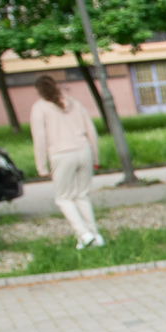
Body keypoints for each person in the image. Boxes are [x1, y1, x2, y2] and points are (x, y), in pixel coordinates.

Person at [30, 75, 103, 249]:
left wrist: (41, 166)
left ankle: (83, 234)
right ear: (56, 86)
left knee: (63, 198)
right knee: (81, 195)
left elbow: (39, 138)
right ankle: (94, 236)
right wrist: (95, 157)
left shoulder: (39, 108)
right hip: (83, 150)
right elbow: (91, 130)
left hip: (60, 155)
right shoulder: (74, 104)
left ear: (38, 91)